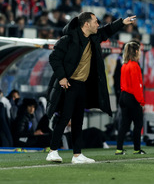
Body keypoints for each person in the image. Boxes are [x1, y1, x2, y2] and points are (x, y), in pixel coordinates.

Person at [46, 11, 136, 163]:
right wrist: (61, 77)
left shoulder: (93, 37)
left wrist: (122, 22)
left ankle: (77, 155)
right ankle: (53, 151)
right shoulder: (68, 39)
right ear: (86, 24)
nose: (98, 24)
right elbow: (53, 57)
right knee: (64, 118)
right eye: (95, 21)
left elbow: (107, 30)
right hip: (69, 84)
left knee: (78, 121)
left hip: (82, 85)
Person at [115, 41, 146, 155]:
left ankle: (119, 149)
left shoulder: (125, 65)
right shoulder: (134, 66)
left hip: (123, 96)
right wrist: (141, 101)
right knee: (138, 124)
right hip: (131, 97)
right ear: (136, 51)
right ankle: (137, 149)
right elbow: (136, 86)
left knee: (124, 124)